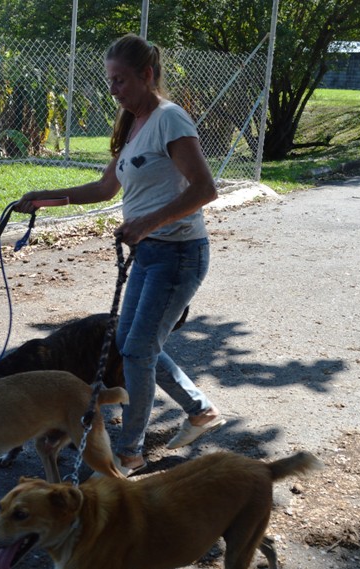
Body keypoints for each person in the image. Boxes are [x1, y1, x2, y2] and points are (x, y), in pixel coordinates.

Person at [14, 33, 225, 473]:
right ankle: (200, 410)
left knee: (137, 352)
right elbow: (104, 188)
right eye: (110, 81)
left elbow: (206, 189)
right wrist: (44, 197)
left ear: (147, 75)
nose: (114, 91)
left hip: (179, 254)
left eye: (121, 81)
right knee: (134, 345)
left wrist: (148, 223)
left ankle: (128, 452)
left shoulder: (170, 119)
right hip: (149, 255)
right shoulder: (133, 124)